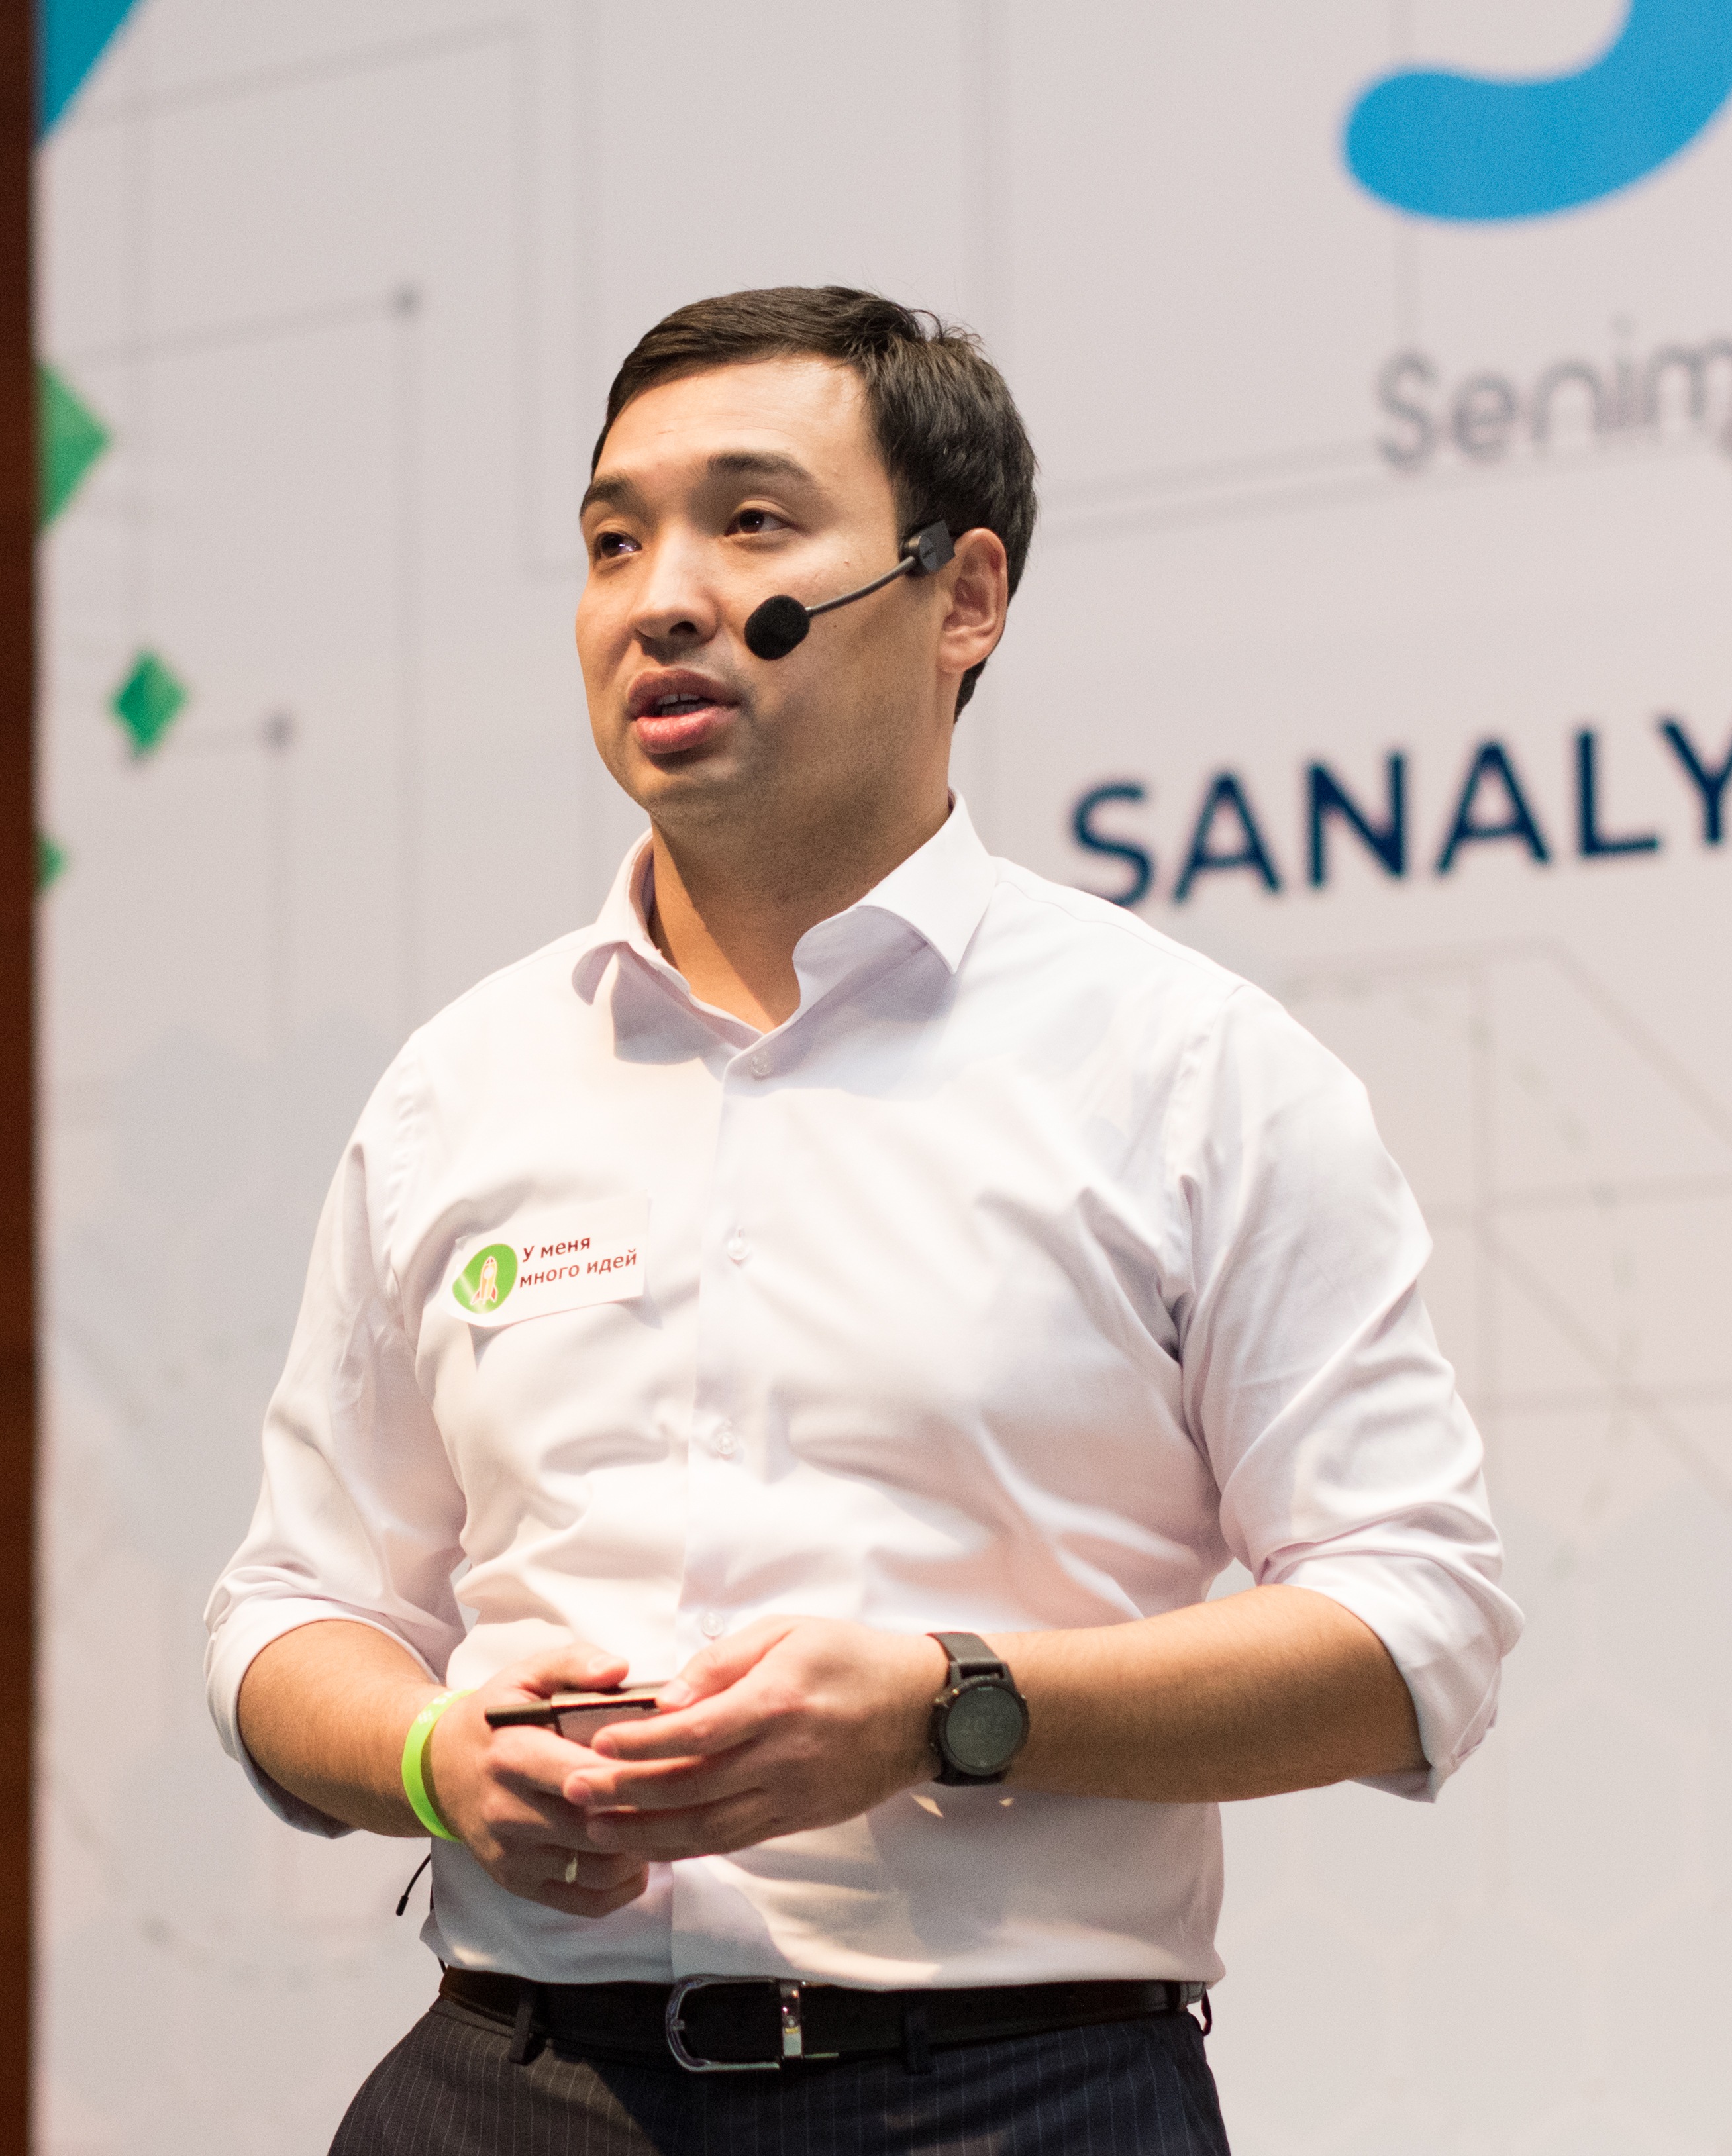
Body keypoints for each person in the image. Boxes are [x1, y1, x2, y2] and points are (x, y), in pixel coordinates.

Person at [204, 287, 1519, 2153]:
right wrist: (429, 1756)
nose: (662, 599)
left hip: (1011, 2102)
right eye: (612, 541)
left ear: (962, 597)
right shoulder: (459, 1087)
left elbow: (1419, 1632)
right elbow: (295, 1611)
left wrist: (947, 1709)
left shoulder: (1191, 1067)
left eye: (750, 524)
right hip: (504, 2083)